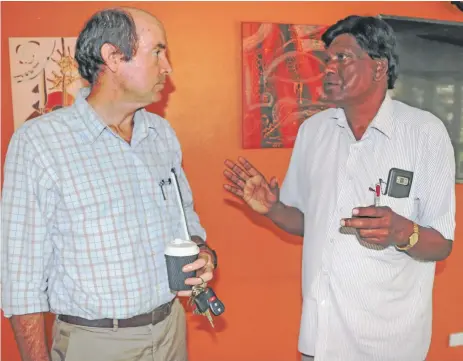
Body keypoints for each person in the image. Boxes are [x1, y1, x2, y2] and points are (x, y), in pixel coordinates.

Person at [224, 15, 455, 361]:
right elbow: (310, 222)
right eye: (327, 59)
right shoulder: (313, 132)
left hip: (389, 343)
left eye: (342, 58)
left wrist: (401, 231)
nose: (328, 68)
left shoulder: (425, 134)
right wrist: (273, 208)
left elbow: (441, 245)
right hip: (321, 336)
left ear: (378, 68)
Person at [2, 7, 217, 361]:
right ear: (113, 57)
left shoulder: (161, 134)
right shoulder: (40, 142)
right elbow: (20, 280)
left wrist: (203, 252)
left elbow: (186, 222)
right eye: (158, 52)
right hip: (96, 343)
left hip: (171, 331)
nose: (168, 68)